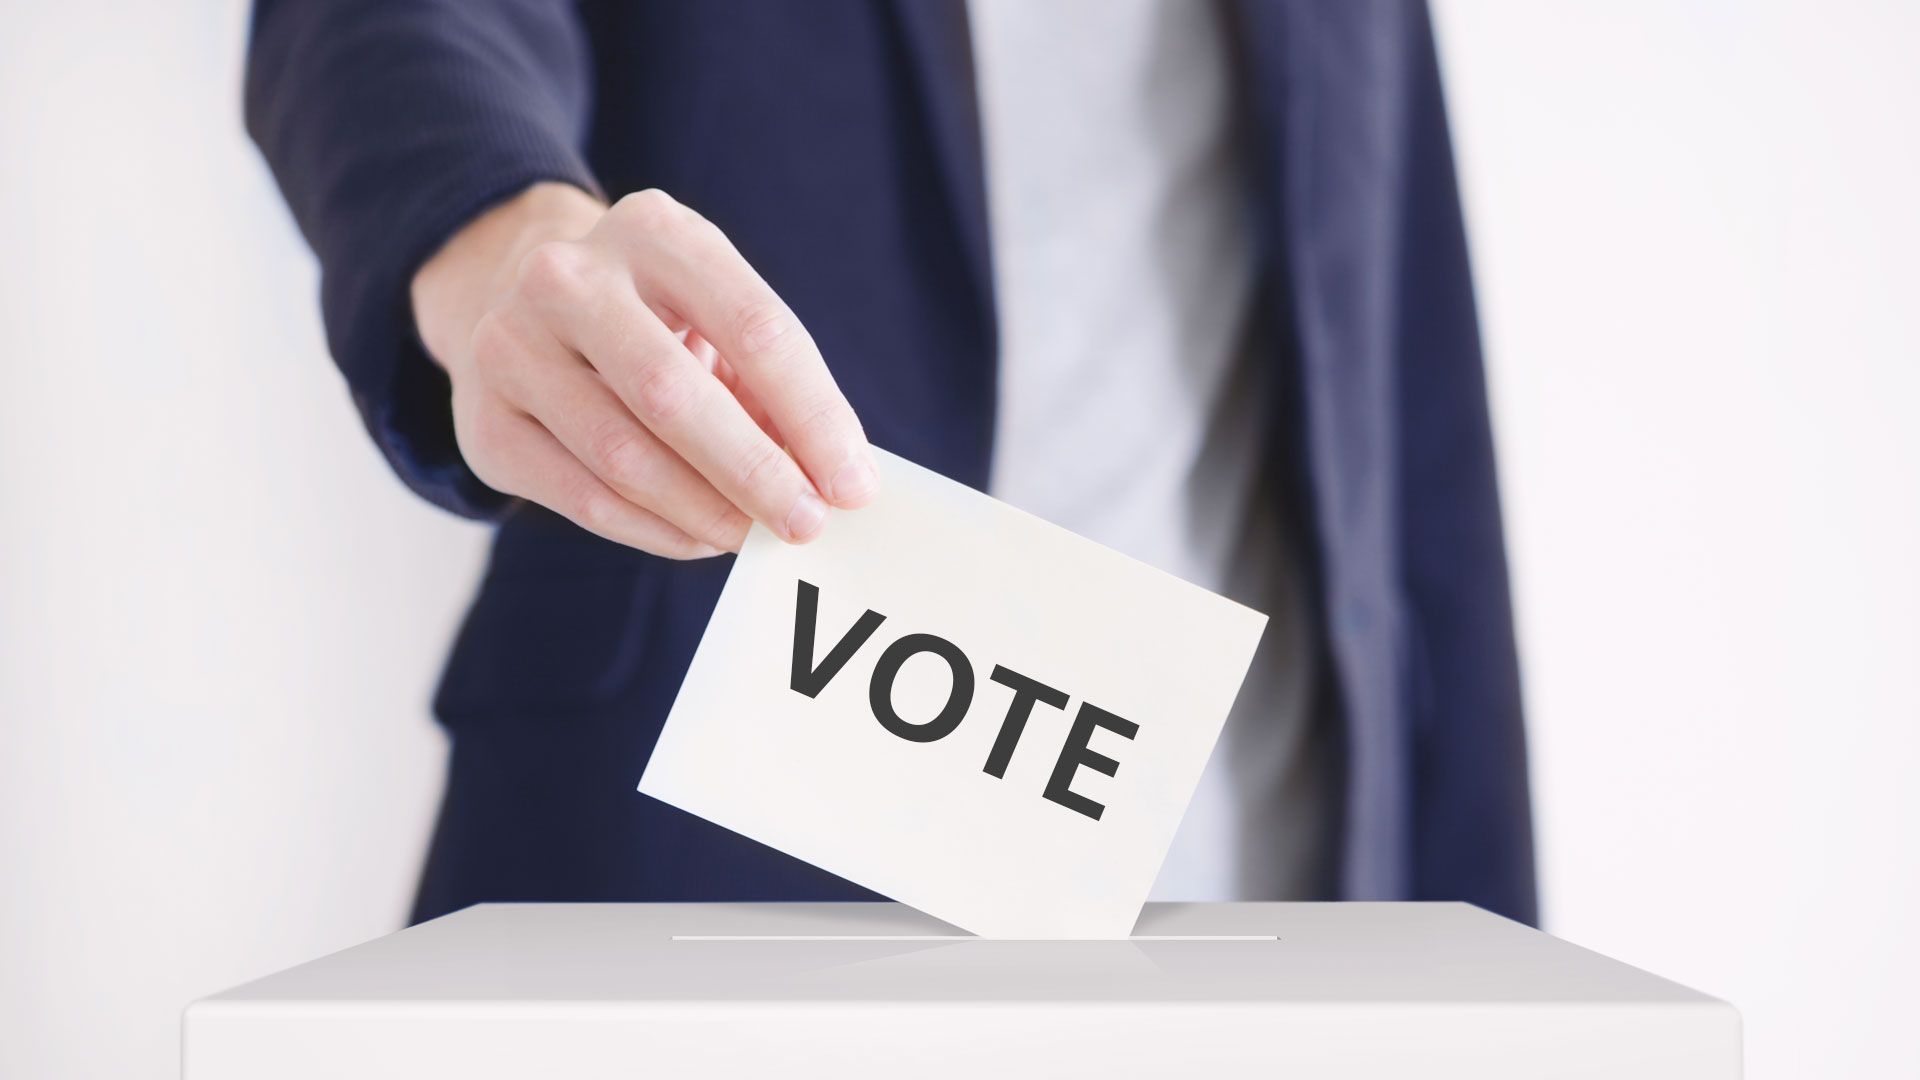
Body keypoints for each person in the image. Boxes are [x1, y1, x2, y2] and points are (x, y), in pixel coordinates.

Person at [245, 0, 1536, 926]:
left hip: (1259, 879)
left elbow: (1407, 398)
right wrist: (502, 225)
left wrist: (1490, 945)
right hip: (713, 870)